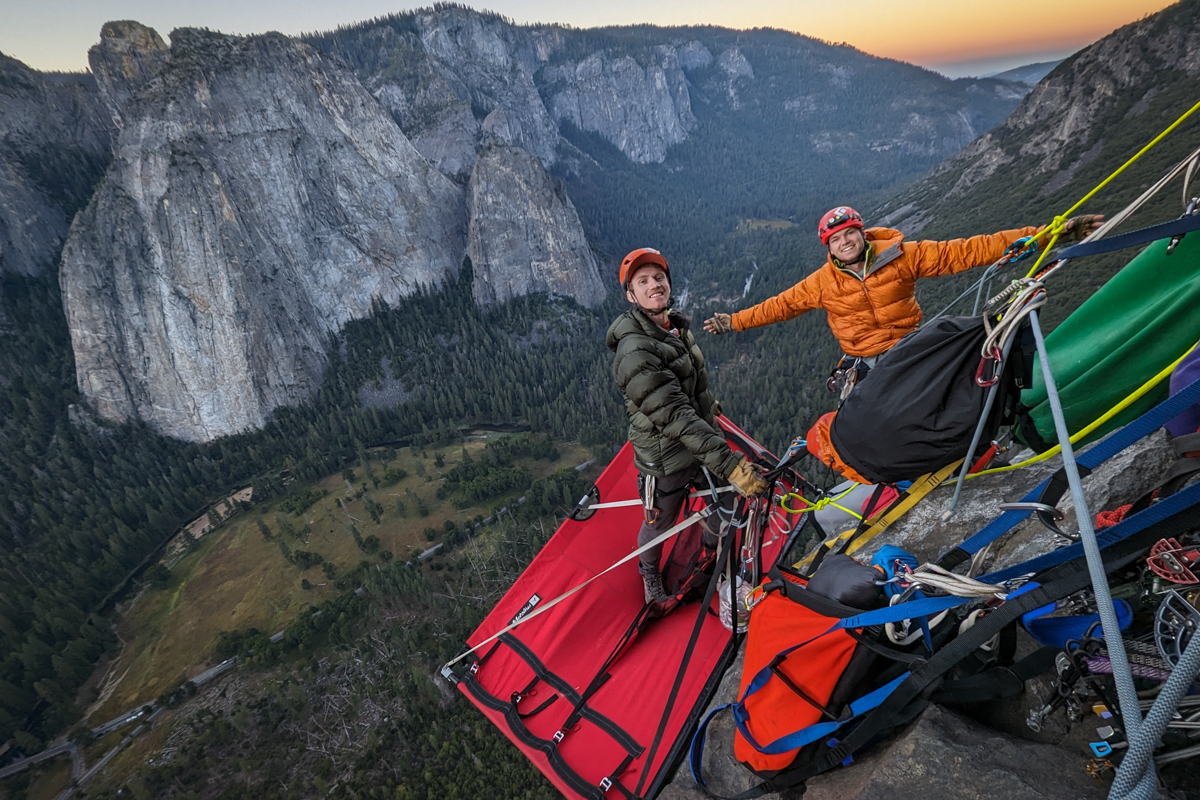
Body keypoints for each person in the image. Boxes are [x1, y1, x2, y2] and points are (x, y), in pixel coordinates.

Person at [704, 206, 1103, 395]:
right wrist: (734, 322)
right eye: (836, 238)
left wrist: (1048, 234)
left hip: (909, 344)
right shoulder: (820, 283)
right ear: (829, 246)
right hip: (865, 360)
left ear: (862, 233)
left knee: (955, 385)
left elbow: (965, 251)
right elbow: (779, 306)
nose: (845, 241)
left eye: (850, 233)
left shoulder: (901, 256)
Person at [607, 247, 770, 604]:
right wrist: (730, 465)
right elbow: (675, 416)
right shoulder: (635, 350)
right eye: (643, 281)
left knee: (725, 496)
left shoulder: (674, 328)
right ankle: (649, 571)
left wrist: (708, 406)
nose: (655, 286)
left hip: (697, 439)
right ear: (631, 295)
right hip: (665, 456)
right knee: (659, 523)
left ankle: (709, 552)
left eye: (659, 278)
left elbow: (691, 382)